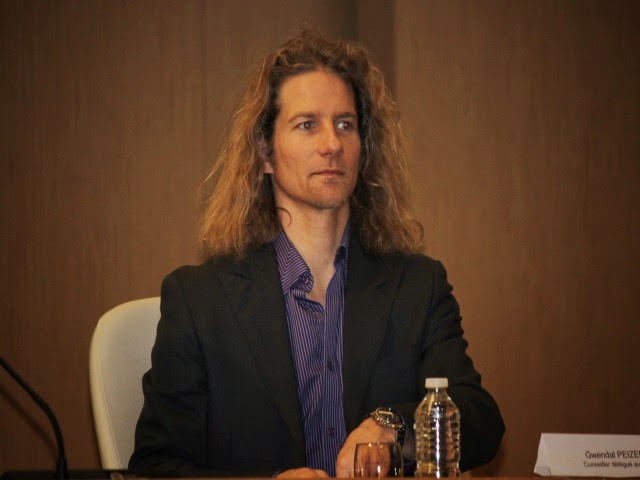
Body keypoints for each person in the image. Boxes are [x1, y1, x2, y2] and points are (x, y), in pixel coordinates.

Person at [129, 28, 505, 477]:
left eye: (345, 124)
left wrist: (394, 426)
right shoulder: (198, 301)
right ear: (264, 153)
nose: (332, 144)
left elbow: (480, 421)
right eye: (307, 124)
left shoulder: (417, 287)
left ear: (363, 149)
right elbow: (156, 467)